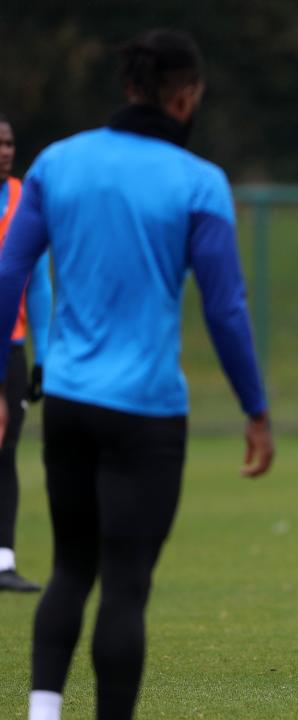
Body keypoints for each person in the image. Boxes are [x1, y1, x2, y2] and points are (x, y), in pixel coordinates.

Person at [0, 29, 274, 720]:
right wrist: (255, 409)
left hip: (66, 399)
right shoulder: (198, 182)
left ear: (127, 87)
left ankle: (40, 712)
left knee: (69, 566)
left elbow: (8, 271)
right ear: (187, 97)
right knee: (125, 584)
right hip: (147, 411)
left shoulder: (56, 163)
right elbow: (226, 308)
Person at [0, 114, 52, 593]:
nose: (5, 150)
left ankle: (3, 560)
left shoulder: (25, 197)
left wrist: (44, 354)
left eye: (10, 142)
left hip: (10, 347)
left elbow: (36, 284)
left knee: (6, 448)